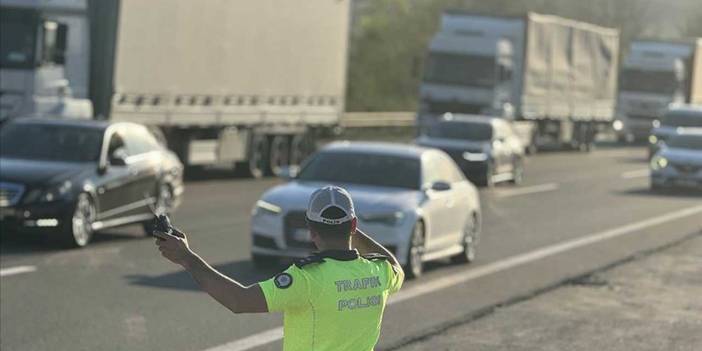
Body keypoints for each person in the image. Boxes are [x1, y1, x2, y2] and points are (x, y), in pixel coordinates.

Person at [154, 185, 405, 351]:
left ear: (310, 228)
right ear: (353, 225)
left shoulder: (308, 278)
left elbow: (239, 300)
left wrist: (187, 258)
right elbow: (395, 265)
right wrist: (347, 227)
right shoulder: (379, 272)